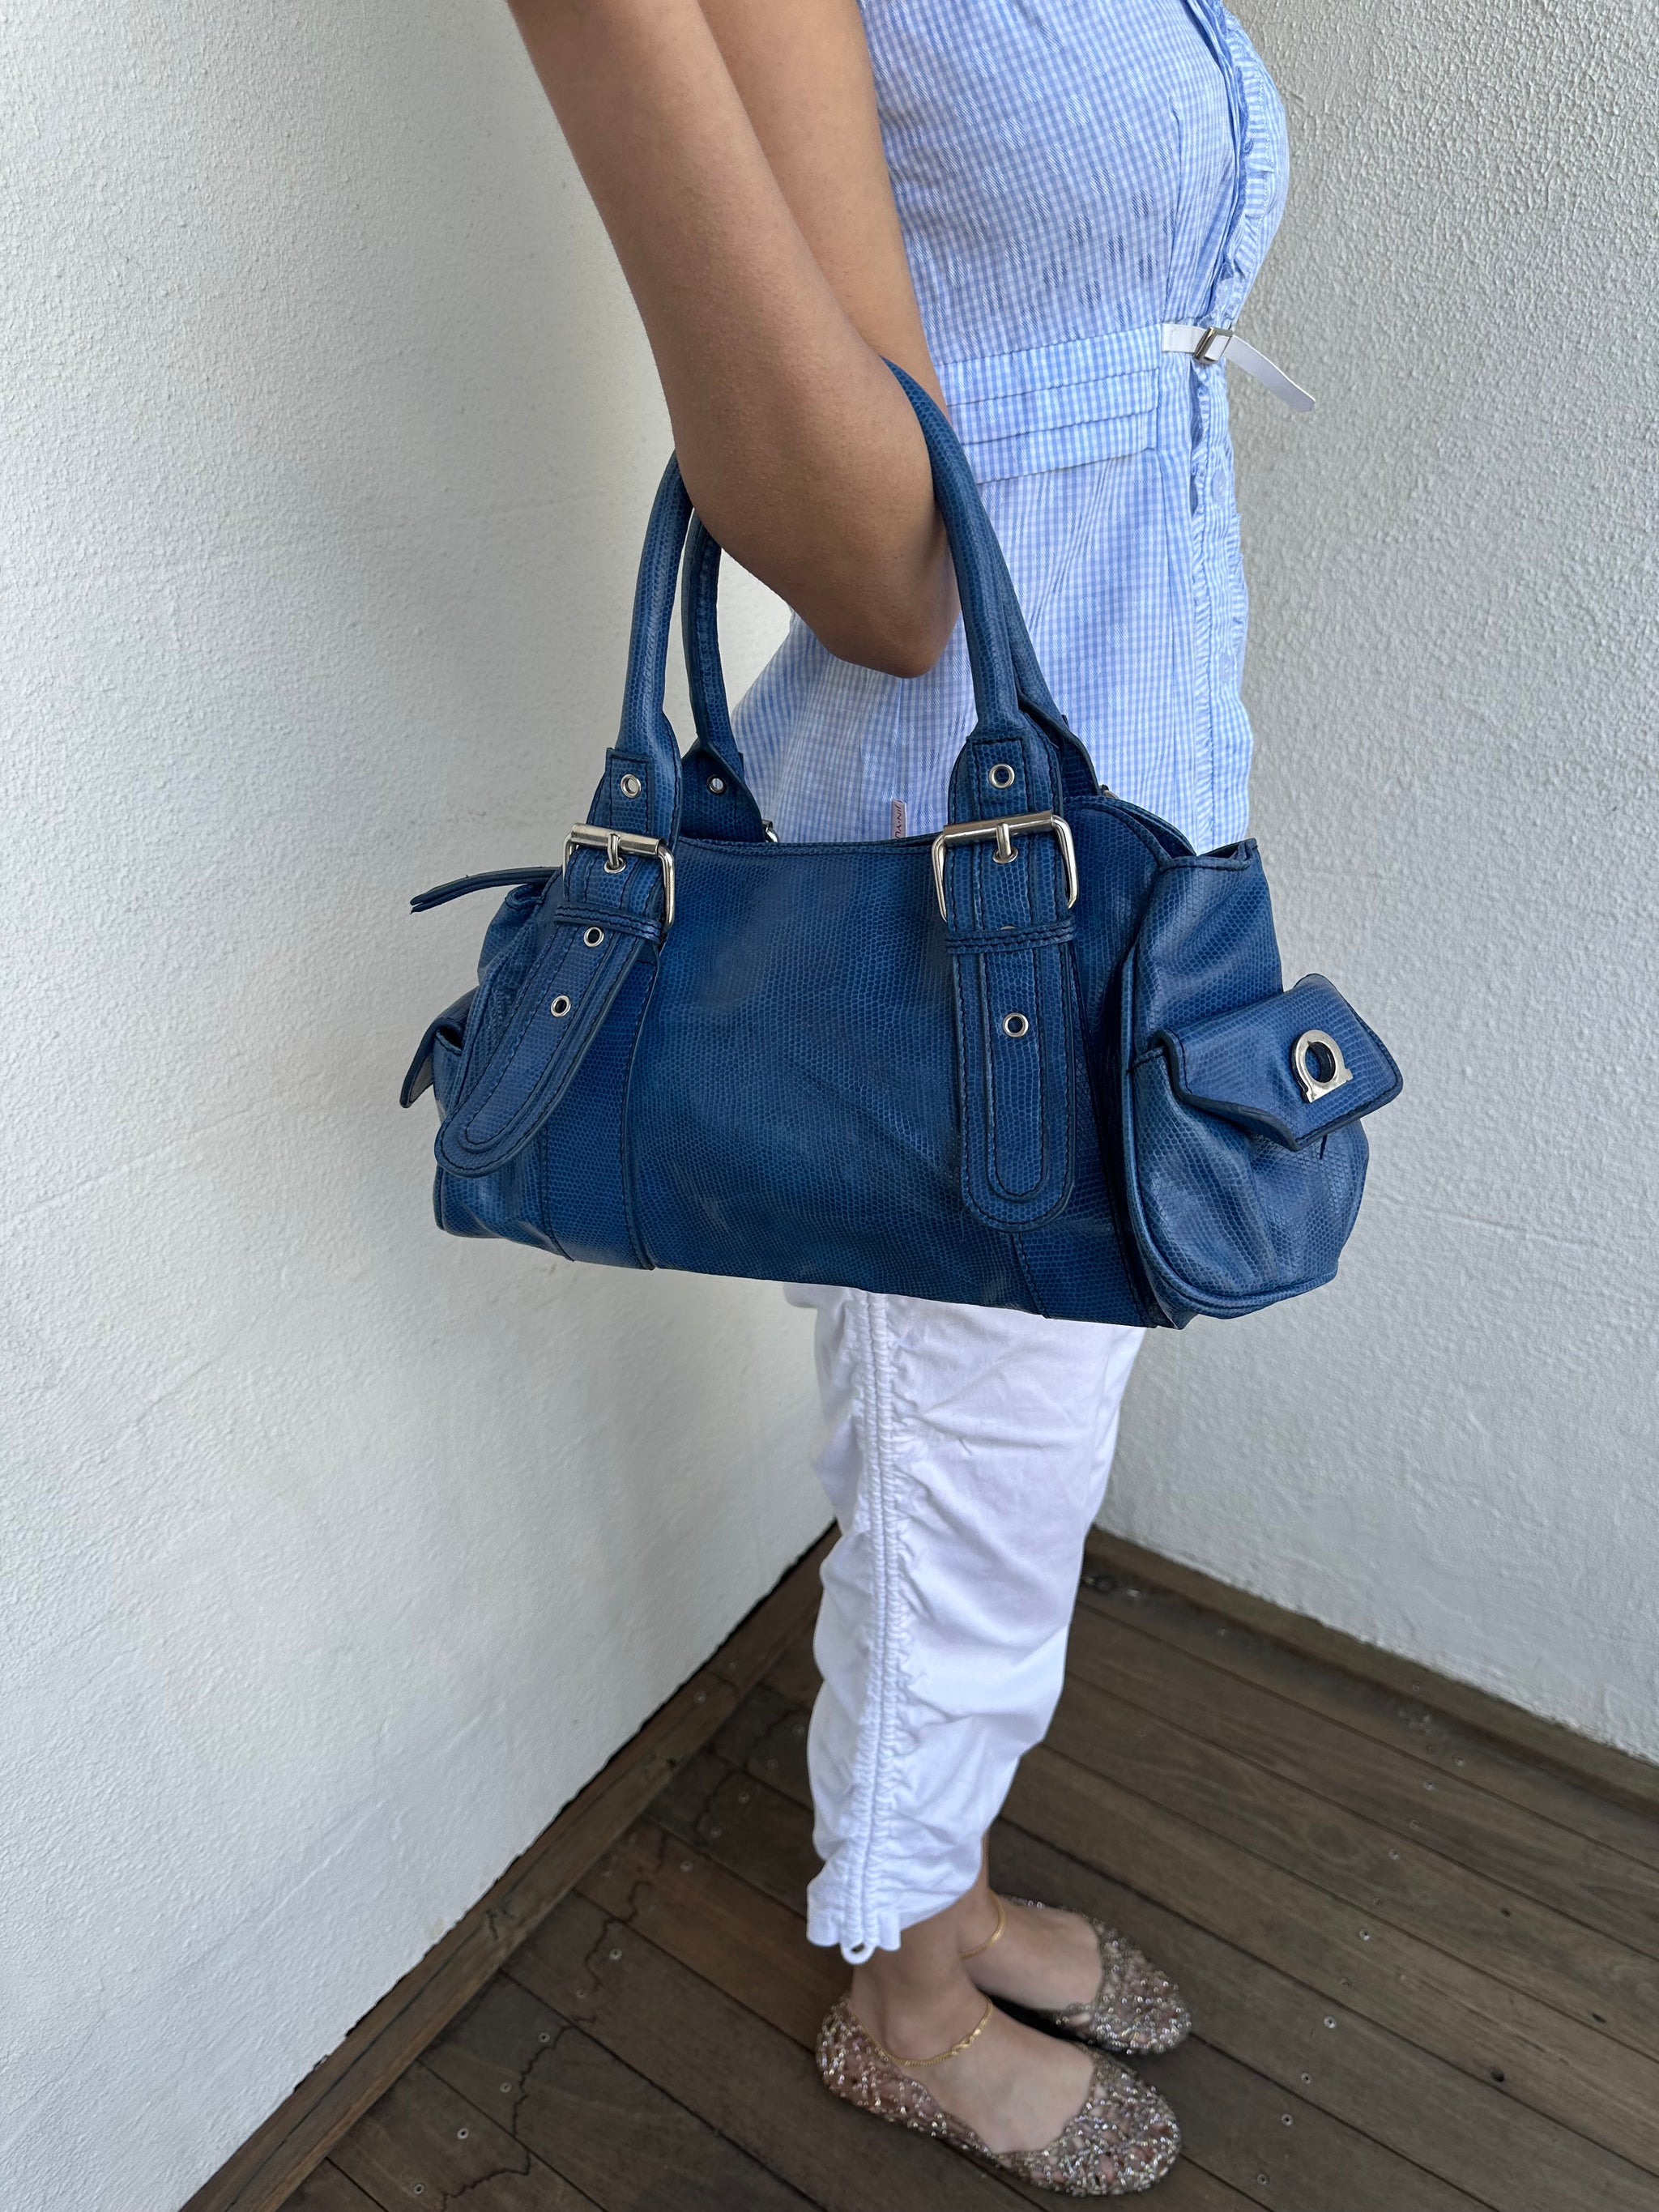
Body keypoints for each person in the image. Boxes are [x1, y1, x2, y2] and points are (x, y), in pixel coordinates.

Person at [503, 0, 1294, 2192]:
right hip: (971, 877)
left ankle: (926, 1888)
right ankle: (905, 1998)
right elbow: (861, 559)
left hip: (1121, 808)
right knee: (982, 1464)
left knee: (973, 1441)